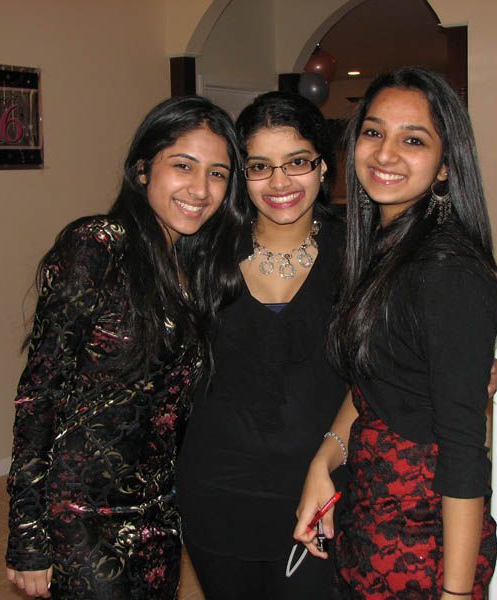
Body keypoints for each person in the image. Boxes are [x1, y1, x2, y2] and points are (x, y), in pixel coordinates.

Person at [4, 95, 246, 599]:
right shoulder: (97, 245)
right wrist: (28, 535)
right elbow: (39, 392)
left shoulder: (197, 272)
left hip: (158, 514)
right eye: (183, 166)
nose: (201, 189)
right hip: (81, 516)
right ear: (142, 169)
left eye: (218, 174)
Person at [294, 67, 497, 600]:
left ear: (444, 168)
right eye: (373, 131)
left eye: (413, 140)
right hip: (371, 519)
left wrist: (455, 595)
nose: (385, 154)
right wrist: (325, 459)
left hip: (423, 542)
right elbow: (375, 384)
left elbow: (462, 451)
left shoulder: (447, 270)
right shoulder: (384, 250)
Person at [176, 91, 347, 599]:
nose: (280, 183)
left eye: (297, 162)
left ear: (323, 166)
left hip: (322, 491)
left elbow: (380, 372)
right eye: (259, 166)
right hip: (217, 496)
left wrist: (326, 460)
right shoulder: (202, 250)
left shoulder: (360, 249)